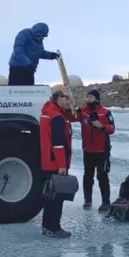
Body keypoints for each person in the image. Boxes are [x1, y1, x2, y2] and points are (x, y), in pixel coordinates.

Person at [39, 84, 79, 237]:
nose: (68, 101)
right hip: (55, 163)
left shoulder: (48, 111)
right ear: (58, 97)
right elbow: (58, 143)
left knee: (50, 195)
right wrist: (62, 165)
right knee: (57, 196)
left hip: (48, 161)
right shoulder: (56, 117)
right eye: (66, 97)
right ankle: (53, 227)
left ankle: (47, 226)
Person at [79, 89, 116, 212]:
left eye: (91, 97)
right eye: (87, 97)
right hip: (88, 150)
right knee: (87, 176)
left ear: (97, 98)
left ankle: (106, 202)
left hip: (102, 151)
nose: (89, 99)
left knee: (103, 176)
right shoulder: (83, 112)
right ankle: (87, 200)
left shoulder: (105, 113)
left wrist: (102, 126)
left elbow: (112, 128)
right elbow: (72, 116)